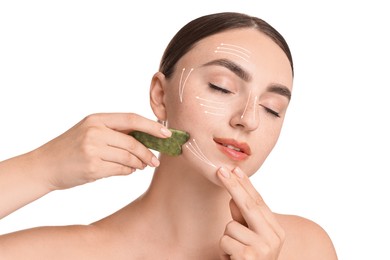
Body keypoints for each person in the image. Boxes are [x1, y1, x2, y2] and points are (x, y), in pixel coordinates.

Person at [0, 12, 338, 259]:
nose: (248, 119)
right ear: (160, 95)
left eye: (272, 108)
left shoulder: (303, 247)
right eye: (221, 87)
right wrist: (40, 168)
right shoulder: (55, 253)